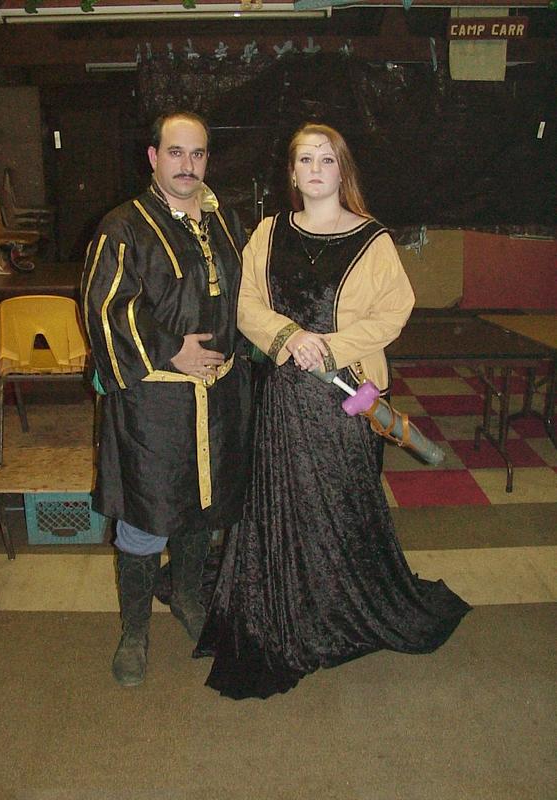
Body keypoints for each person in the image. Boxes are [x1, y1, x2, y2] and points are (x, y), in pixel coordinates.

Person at [193, 122, 471, 699]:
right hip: (283, 400)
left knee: (342, 507)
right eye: (305, 159)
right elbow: (245, 302)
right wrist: (289, 337)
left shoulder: (373, 239)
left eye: (326, 159)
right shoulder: (269, 232)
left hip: (348, 399)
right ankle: (290, 610)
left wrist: (330, 346)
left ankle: (341, 609)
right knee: (284, 505)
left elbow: (395, 310)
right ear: (292, 173)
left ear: (342, 171)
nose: (315, 168)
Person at [80, 111, 251, 687]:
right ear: (153, 157)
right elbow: (106, 308)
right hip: (154, 407)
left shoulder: (225, 220)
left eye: (197, 153)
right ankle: (134, 631)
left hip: (219, 397)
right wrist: (171, 349)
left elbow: (248, 294)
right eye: (175, 152)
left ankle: (187, 597)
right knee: (146, 518)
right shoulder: (123, 226)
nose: (187, 165)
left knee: (203, 508)